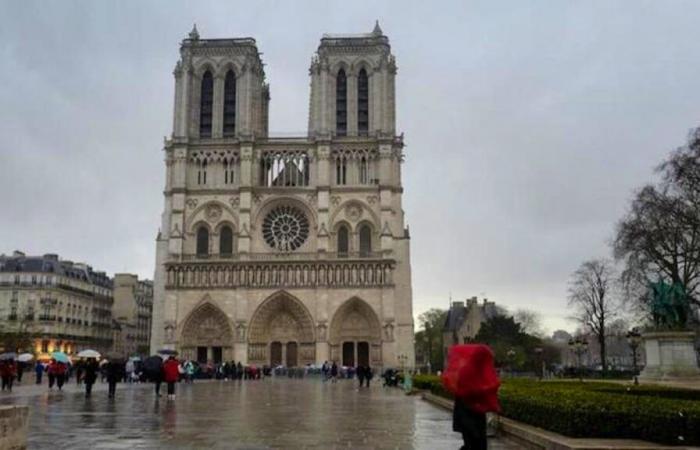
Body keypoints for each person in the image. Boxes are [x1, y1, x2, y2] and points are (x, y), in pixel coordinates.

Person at [442, 344, 501, 450]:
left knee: (471, 441)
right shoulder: (477, 372)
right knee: (477, 441)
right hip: (472, 412)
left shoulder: (467, 370)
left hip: (467, 411)